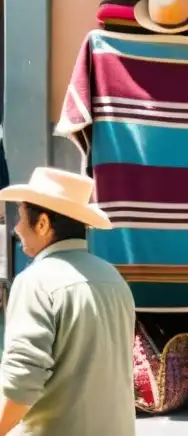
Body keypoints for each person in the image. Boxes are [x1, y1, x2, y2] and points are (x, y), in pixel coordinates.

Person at [0, 167, 136, 435]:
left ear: (42, 224)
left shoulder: (36, 281)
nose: (16, 228)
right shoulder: (112, 277)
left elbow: (22, 381)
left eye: (21, 216)